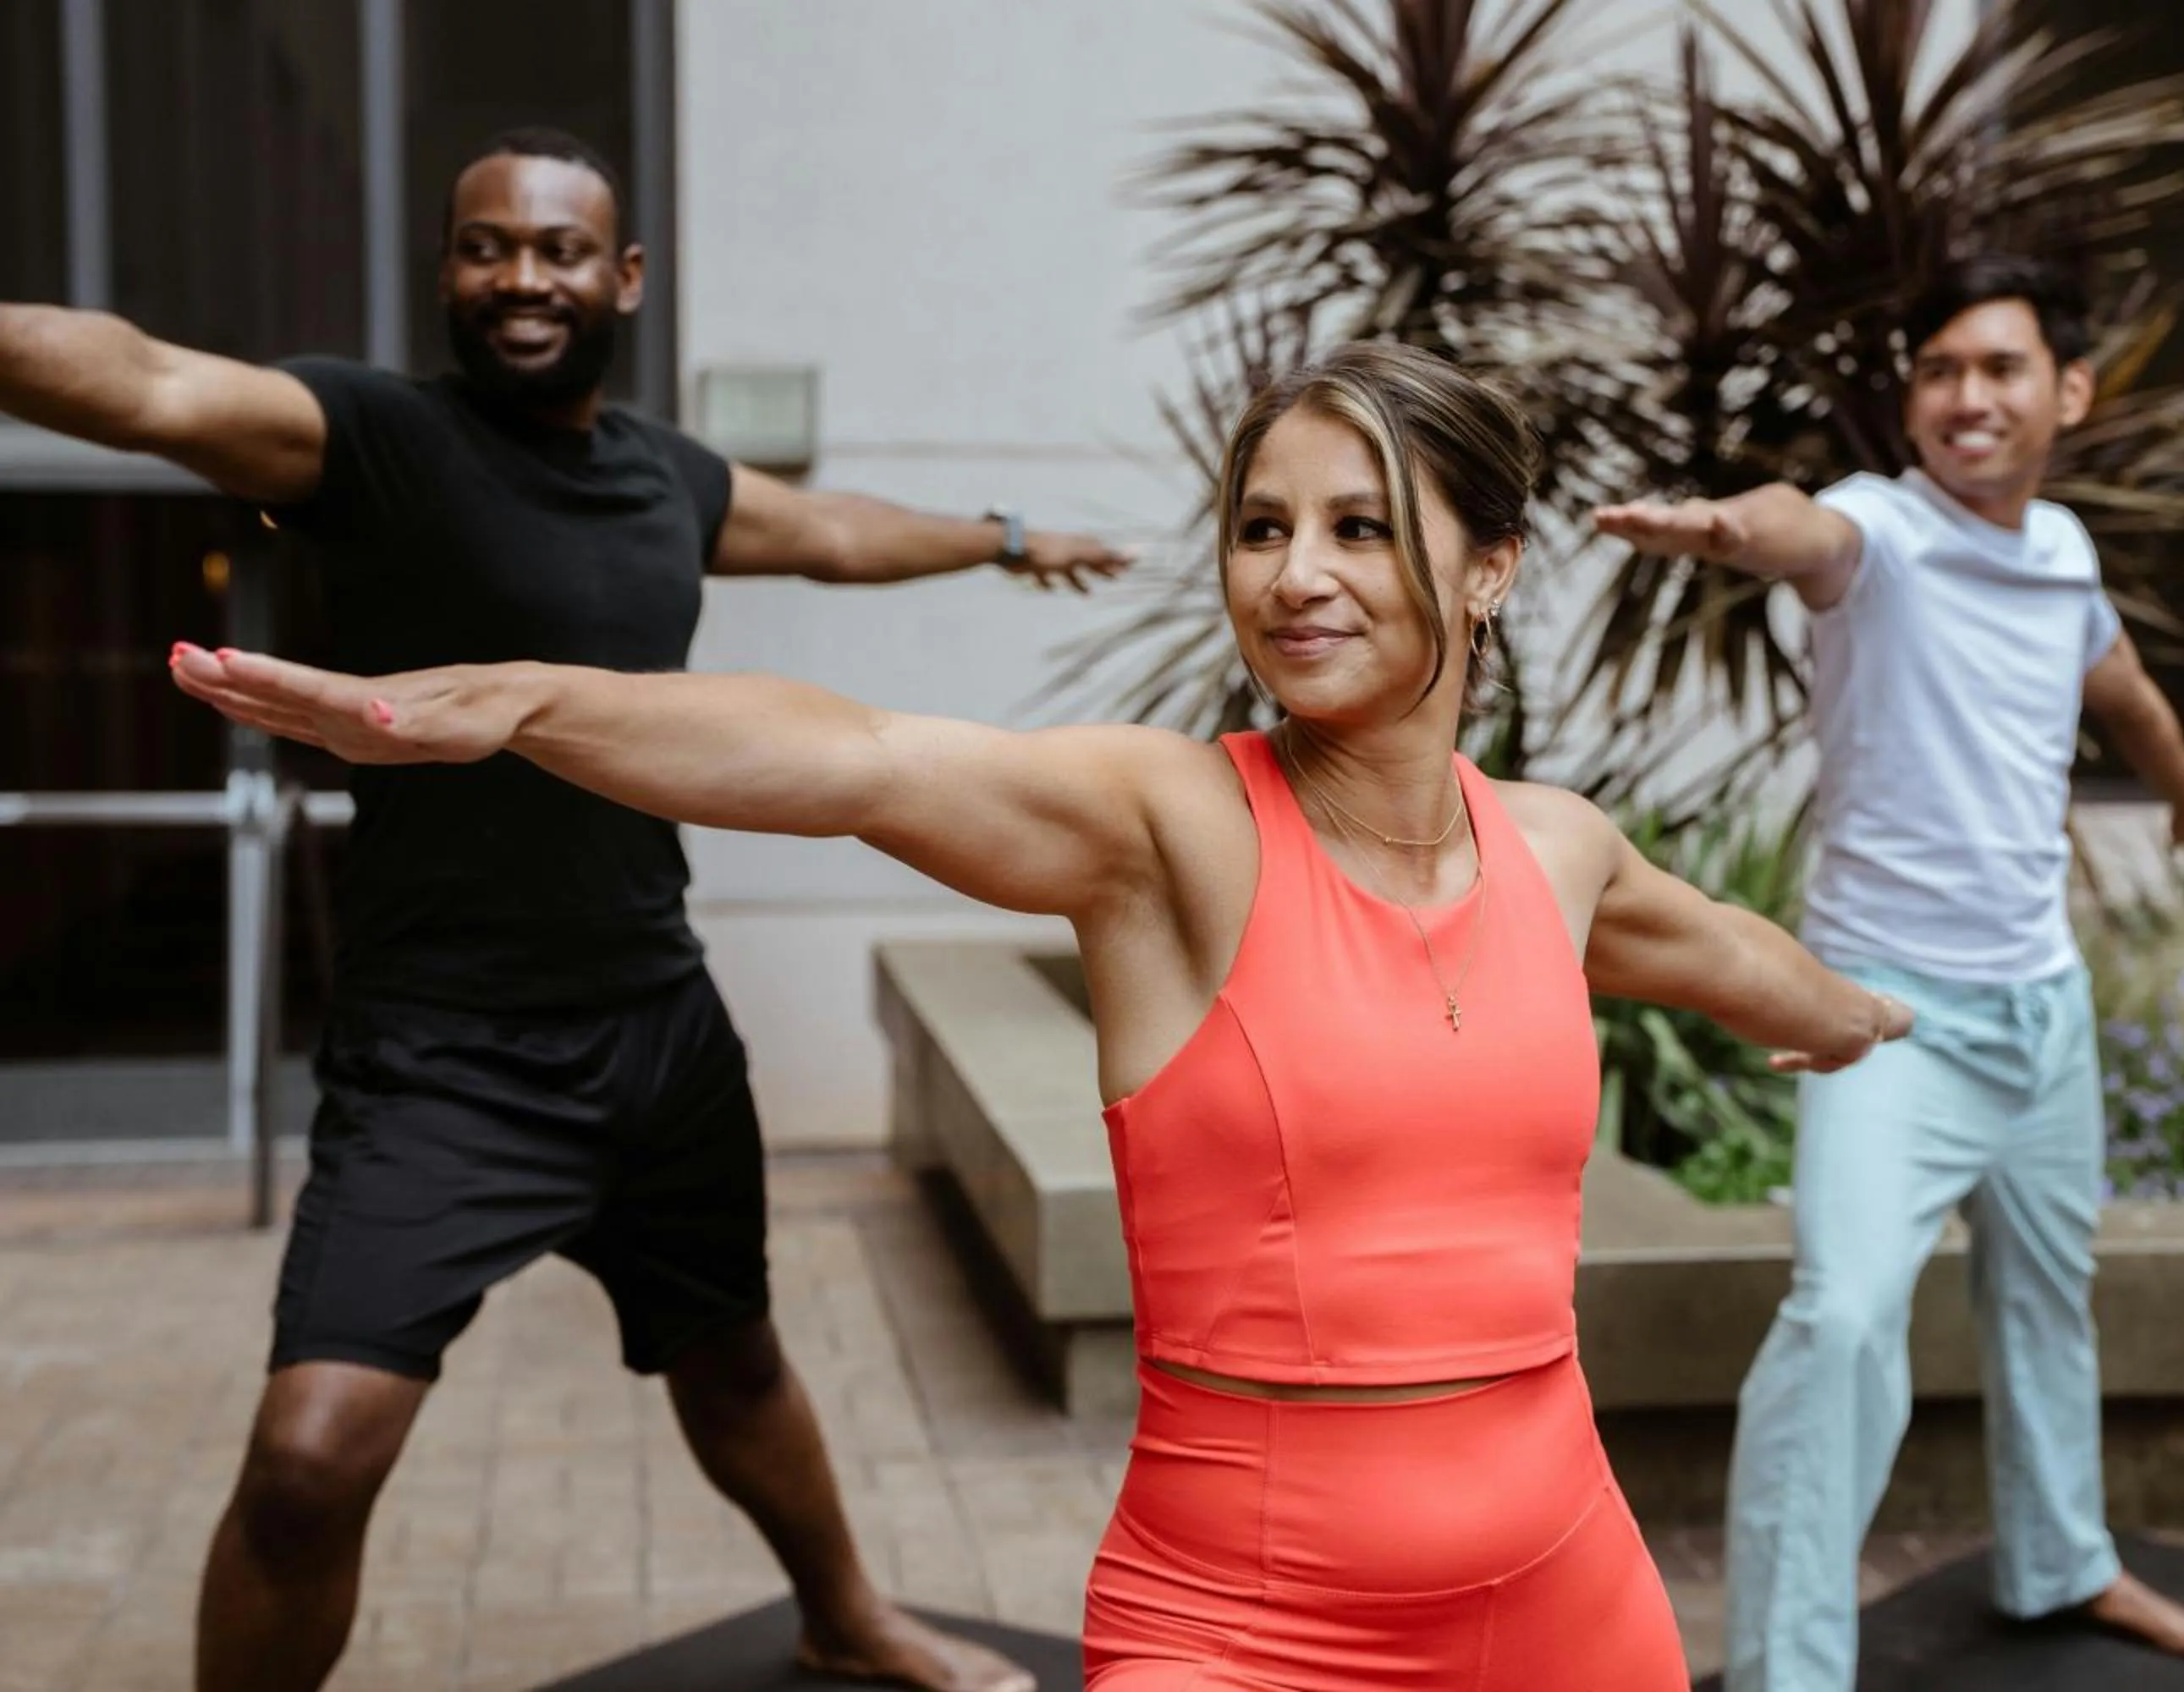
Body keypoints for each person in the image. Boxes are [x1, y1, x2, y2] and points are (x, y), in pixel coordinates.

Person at [168, 338, 1917, 1691]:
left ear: (1490, 571)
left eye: (1360, 525)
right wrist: (512, 703)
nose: (1295, 573)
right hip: (1242, 1621)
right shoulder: (1170, 829)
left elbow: (1725, 951)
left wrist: (1849, 1017)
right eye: (1261, 527)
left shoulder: (1558, 850)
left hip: (1568, 1599)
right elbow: (851, 758)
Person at [0, 127, 1131, 1692]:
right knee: (310, 1461)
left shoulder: (668, 476)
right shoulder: (371, 435)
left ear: (626, 278)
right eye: (485, 247)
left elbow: (833, 535)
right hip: (439, 1062)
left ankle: (844, 1613)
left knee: (736, 1362)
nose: (521, 276)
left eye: (556, 248)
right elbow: (140, 382)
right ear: (449, 268)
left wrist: (1008, 539)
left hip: (656, 1027)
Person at [1593, 253, 2184, 1690]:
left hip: (2046, 1009)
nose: (1964, 395)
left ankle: (2063, 1564)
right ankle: (1787, 1669)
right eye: (1940, 370)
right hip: (1890, 1019)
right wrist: (1725, 527)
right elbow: (1801, 534)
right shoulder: (1880, 533)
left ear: (2068, 392)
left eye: (1999, 368)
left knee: (2045, 1301)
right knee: (1839, 1319)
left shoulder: (2065, 551)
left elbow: (2125, 687)